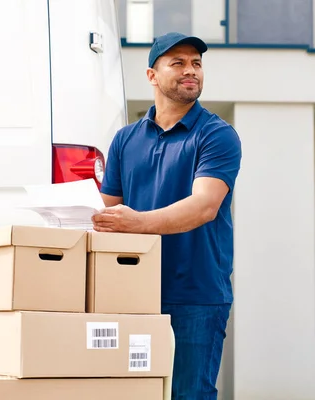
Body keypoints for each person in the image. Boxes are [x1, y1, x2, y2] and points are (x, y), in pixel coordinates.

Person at [91, 32, 242, 399]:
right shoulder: (126, 140)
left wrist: (138, 224)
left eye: (197, 64)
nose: (191, 71)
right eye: (178, 63)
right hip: (133, 291)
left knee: (188, 394)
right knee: (133, 393)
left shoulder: (216, 135)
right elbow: (106, 212)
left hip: (196, 294)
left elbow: (205, 206)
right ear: (152, 75)